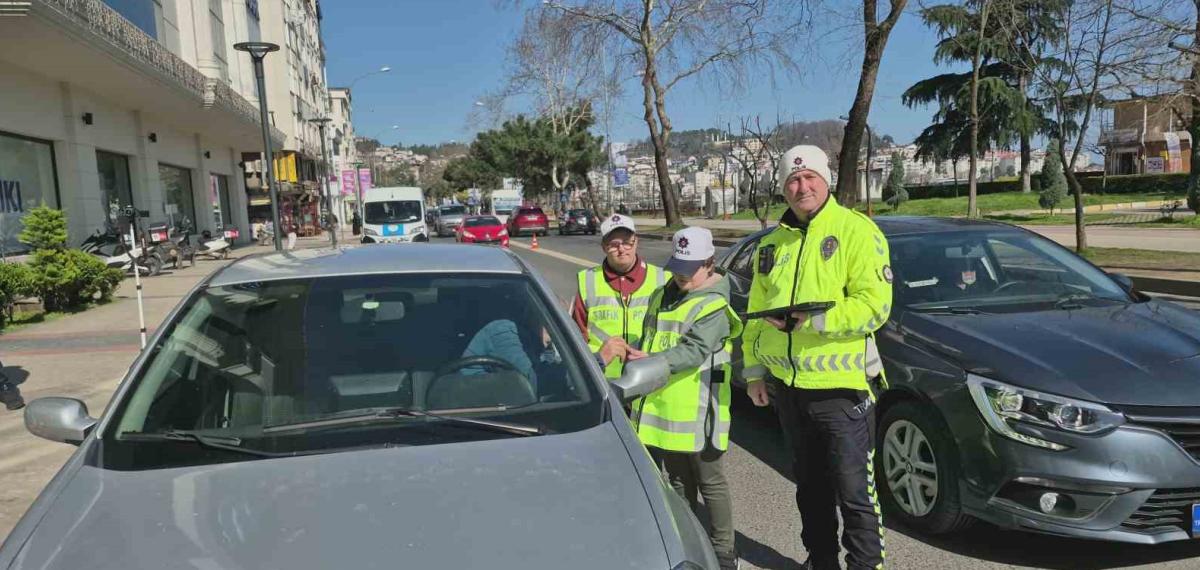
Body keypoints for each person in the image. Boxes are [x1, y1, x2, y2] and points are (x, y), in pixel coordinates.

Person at [741, 145, 892, 570]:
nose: (801, 186)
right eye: (792, 179)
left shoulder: (856, 230)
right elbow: (756, 312)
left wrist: (813, 321)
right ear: (783, 188)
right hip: (789, 390)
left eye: (810, 177)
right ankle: (821, 561)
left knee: (855, 493)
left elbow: (875, 307)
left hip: (841, 392)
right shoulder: (772, 244)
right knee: (809, 489)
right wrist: (754, 372)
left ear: (826, 180)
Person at [625, 227, 743, 570]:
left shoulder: (714, 304)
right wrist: (639, 355)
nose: (681, 275)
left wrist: (651, 362)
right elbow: (652, 336)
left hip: (701, 409)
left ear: (709, 264)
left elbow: (693, 351)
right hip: (666, 407)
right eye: (678, 267)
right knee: (678, 481)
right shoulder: (664, 294)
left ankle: (723, 554)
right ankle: (687, 544)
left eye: (690, 269)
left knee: (710, 482)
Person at [570, 214, 669, 380]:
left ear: (636, 242)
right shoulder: (588, 281)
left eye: (627, 242)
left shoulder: (663, 279)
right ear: (604, 247)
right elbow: (576, 338)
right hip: (603, 380)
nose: (622, 249)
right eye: (614, 244)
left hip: (649, 380)